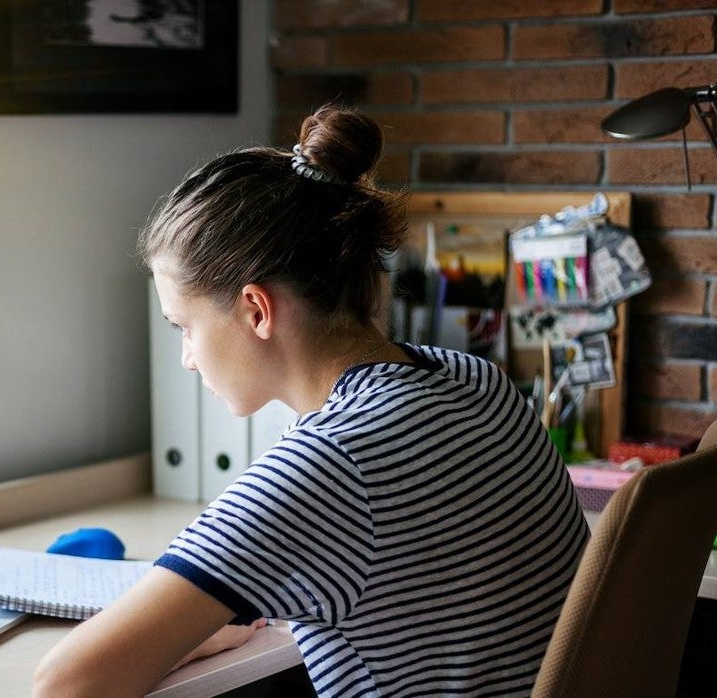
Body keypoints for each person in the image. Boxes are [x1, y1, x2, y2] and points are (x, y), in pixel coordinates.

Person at [33, 105, 589, 697]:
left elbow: (65, 685)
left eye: (184, 327)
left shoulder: (329, 464)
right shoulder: (479, 381)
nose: (187, 358)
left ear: (256, 310)